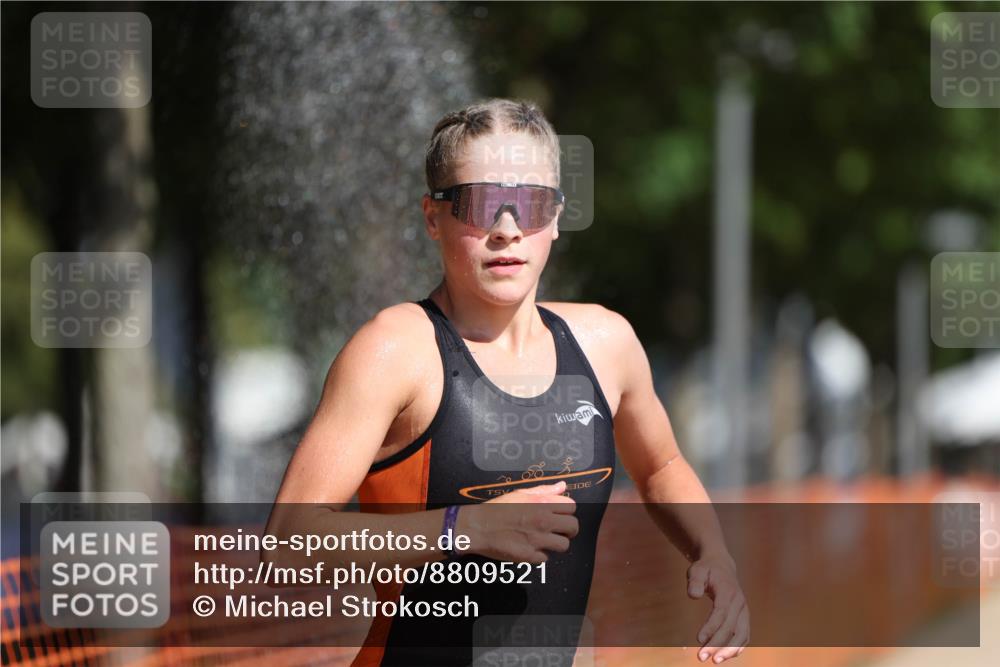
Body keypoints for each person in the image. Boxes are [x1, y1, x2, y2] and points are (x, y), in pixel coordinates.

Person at [268, 98, 748, 666]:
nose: (507, 229)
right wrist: (462, 528)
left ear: (558, 218)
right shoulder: (395, 351)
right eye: (479, 204)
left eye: (531, 204)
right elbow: (289, 544)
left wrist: (711, 549)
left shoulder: (605, 343)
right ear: (432, 217)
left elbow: (662, 465)